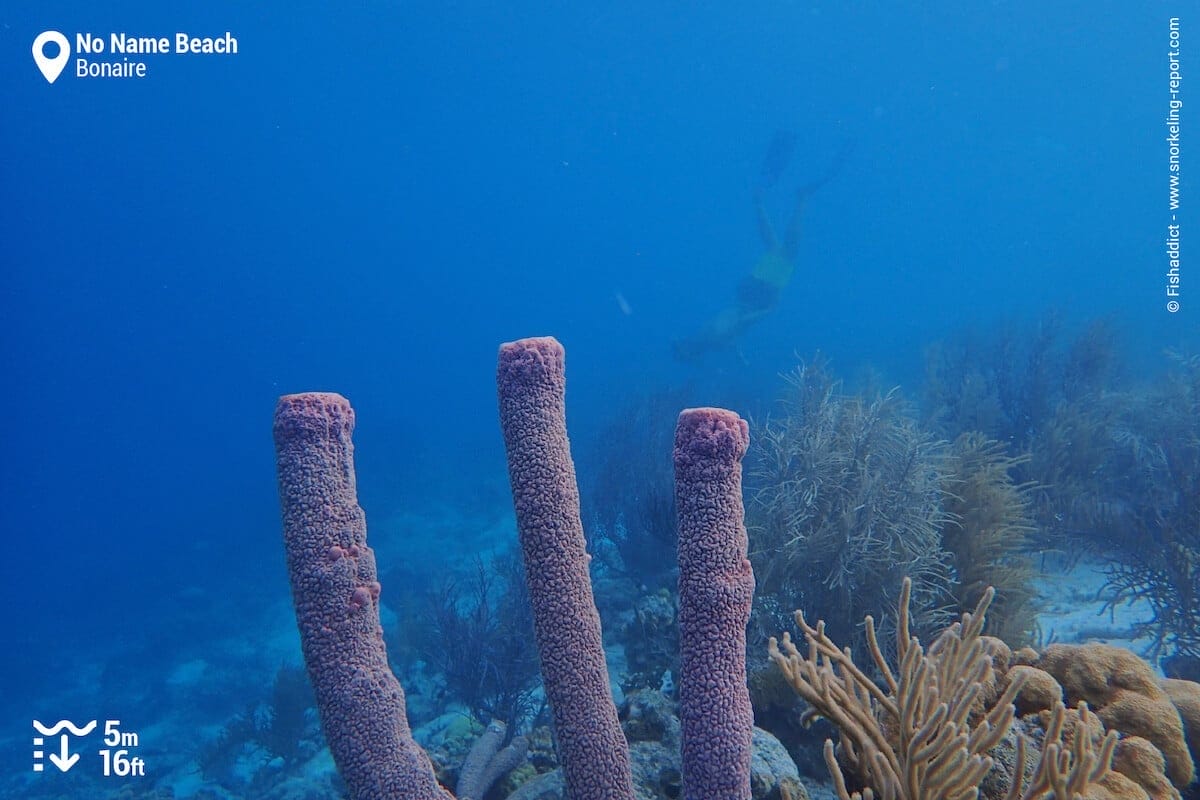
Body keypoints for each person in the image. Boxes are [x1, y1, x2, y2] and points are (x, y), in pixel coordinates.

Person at [672, 135, 847, 362]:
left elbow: (741, 322)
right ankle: (760, 202)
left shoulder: (713, 338)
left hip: (759, 296)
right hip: (749, 290)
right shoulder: (705, 336)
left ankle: (801, 200)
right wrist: (741, 356)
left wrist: (771, 309)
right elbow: (733, 334)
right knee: (774, 247)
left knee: (788, 252)